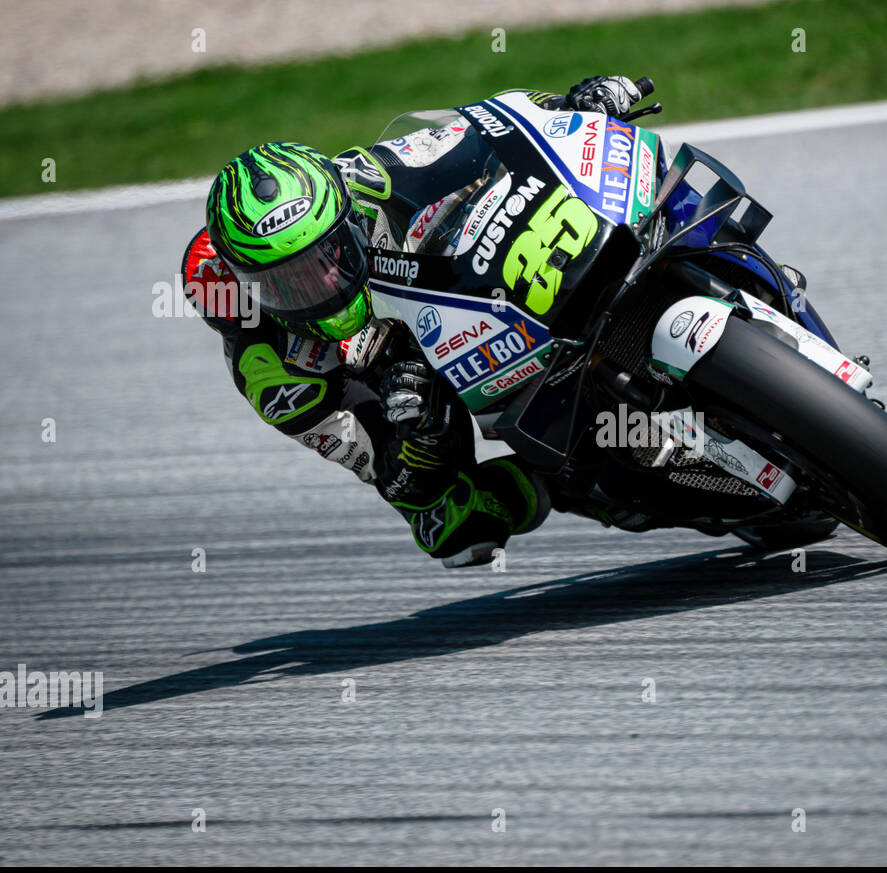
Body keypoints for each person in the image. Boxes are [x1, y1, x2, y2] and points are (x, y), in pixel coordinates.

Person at [182, 76, 649, 567]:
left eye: (328, 254)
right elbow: (392, 477)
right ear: (250, 291)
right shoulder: (274, 376)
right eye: (289, 282)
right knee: (449, 527)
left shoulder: (360, 177)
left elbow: (485, 127)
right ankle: (581, 478)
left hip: (475, 289)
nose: (323, 281)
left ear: (341, 210)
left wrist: (568, 108)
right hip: (416, 391)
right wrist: (420, 433)